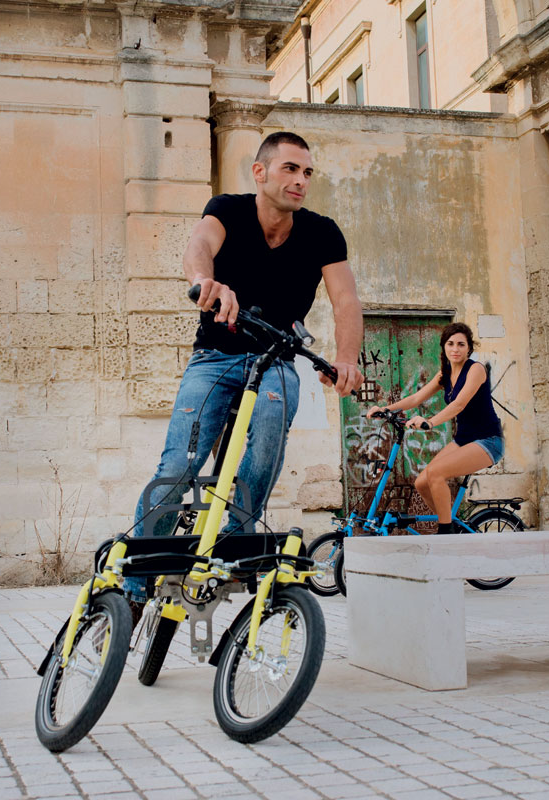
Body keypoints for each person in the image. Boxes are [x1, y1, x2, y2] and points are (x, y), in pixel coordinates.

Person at [125, 131, 365, 616]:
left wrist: (346, 358)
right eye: (290, 169)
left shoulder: (322, 232)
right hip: (215, 356)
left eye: (307, 172)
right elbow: (199, 246)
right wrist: (203, 282)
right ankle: (136, 581)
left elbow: (345, 301)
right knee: (179, 466)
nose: (300, 180)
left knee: (268, 438)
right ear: (260, 172)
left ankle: (231, 547)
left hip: (276, 359)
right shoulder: (228, 210)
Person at [367, 322, 503, 534]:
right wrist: (385, 409)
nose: (455, 349)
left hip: (488, 441)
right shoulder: (445, 374)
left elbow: (459, 404)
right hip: (464, 440)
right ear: (444, 347)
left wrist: (429, 422)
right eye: (450, 344)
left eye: (461, 344)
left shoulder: (476, 370)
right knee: (422, 482)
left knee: (437, 474)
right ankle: (450, 523)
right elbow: (415, 398)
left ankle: (445, 531)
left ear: (469, 348)